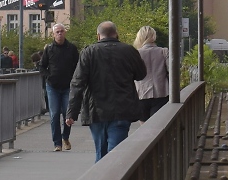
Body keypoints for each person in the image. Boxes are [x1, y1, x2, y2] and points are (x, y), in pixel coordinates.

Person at [66, 21, 148, 162]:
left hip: (96, 110)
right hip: (122, 108)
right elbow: (141, 74)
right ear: (116, 34)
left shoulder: (88, 52)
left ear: (98, 36)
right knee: (116, 153)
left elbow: (78, 83)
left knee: (101, 151)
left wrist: (72, 112)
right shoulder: (129, 51)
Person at [39, 23, 80, 151]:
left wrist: (75, 79)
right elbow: (42, 66)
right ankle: (57, 143)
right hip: (53, 86)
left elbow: (78, 66)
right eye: (57, 32)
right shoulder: (49, 49)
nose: (60, 34)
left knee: (67, 114)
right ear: (53, 34)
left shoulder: (72, 49)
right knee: (54, 114)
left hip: (68, 86)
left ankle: (65, 137)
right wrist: (48, 76)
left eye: (62, 31)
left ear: (65, 32)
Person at [132, 26, 170, 121]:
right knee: (158, 125)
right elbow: (172, 71)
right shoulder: (164, 52)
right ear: (154, 36)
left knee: (144, 127)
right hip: (161, 94)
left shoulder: (135, 54)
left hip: (141, 94)